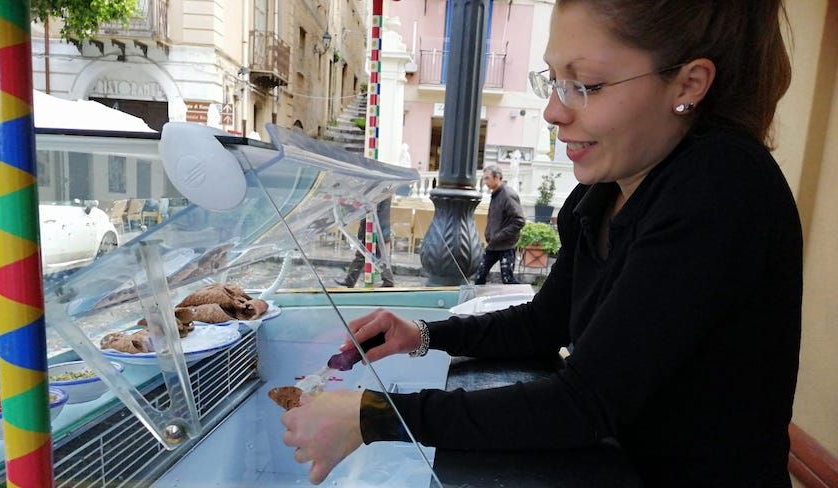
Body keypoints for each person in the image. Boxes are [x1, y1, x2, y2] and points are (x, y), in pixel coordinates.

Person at [282, 1, 801, 486]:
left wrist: (373, 414)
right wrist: (421, 333)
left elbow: (583, 404)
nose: (554, 111)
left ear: (689, 84)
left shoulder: (722, 186)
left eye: (588, 85)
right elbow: (541, 325)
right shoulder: (599, 195)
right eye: (554, 81)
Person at [474, 165, 525, 285]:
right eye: (484, 178)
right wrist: (489, 235)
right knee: (479, 276)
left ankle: (525, 300)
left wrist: (498, 236)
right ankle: (478, 301)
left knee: (508, 280)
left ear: (497, 177)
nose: (485, 182)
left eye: (487, 178)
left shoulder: (507, 194)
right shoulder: (496, 194)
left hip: (506, 246)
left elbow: (519, 220)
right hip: (493, 245)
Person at [334, 198, 394, 288]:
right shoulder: (381, 193)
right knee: (363, 254)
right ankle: (350, 279)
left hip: (376, 229)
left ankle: (388, 281)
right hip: (371, 227)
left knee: (378, 255)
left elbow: (378, 212)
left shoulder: (382, 195)